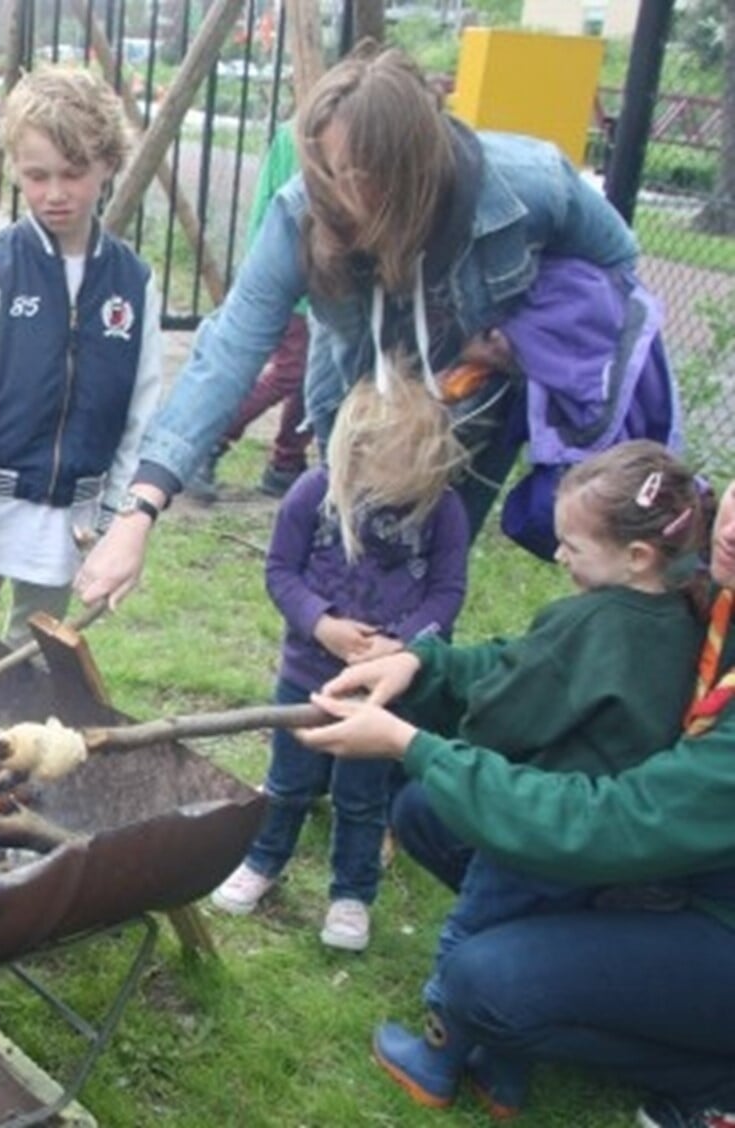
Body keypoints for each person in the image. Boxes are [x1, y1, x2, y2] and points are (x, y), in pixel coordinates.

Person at [75, 45, 645, 611]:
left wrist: (524, 337)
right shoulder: (301, 213)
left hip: (471, 416)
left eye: (349, 174)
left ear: (409, 168)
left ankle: (403, 691)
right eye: (321, 167)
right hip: (356, 406)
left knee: (428, 586)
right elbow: (230, 350)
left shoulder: (530, 185)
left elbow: (617, 262)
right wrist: (139, 511)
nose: (328, 190)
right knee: (345, 577)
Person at [301, 477, 735, 1127]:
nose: (729, 529)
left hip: (706, 907)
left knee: (481, 980)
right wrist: (424, 668)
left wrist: (415, 747)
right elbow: (543, 660)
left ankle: (710, 1077)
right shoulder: (686, 585)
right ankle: (524, 1037)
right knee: (430, 809)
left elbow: (607, 821)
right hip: (674, 865)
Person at [209, 372, 468, 951]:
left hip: (382, 693)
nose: (397, 496)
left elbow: (447, 594)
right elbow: (280, 571)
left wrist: (402, 645)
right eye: (386, 482)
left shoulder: (442, 510)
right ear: (355, 455)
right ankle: (263, 860)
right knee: (288, 781)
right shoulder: (313, 493)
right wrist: (321, 623)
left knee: (362, 795)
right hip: (306, 676)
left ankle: (352, 893)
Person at [0, 65, 162, 642]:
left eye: (73, 174)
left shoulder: (134, 283)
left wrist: (115, 518)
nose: (55, 194)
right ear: (16, 170)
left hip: (69, 521)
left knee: (33, 669)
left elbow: (142, 413)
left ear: (107, 163)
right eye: (37, 176)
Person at [189, 126, 311, 504]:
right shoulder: (303, 135)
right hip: (294, 274)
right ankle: (209, 441)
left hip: (321, 279)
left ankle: (287, 463)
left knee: (310, 371)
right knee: (291, 371)